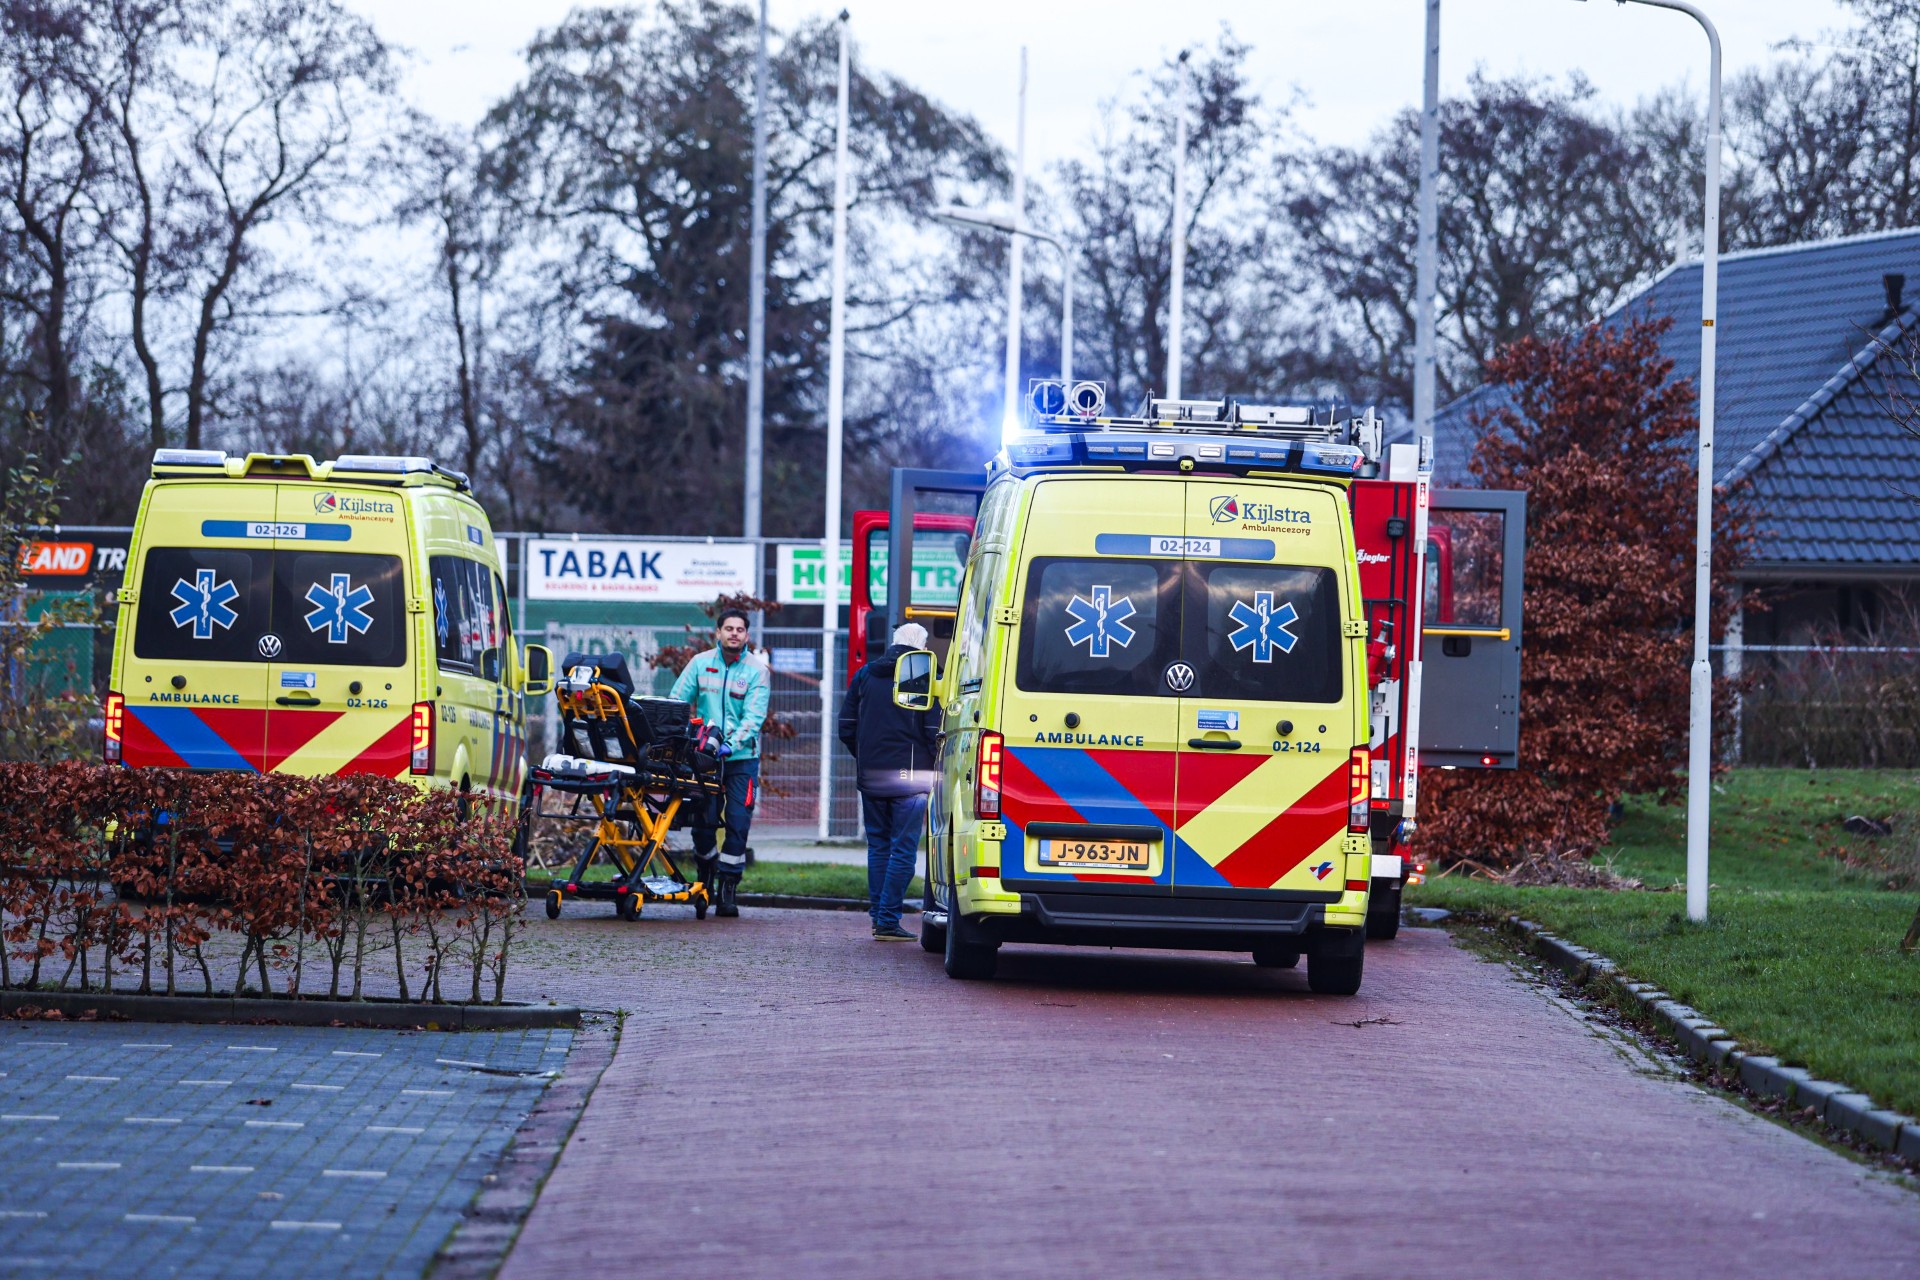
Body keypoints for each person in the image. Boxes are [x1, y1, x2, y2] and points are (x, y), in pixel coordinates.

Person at [838, 622, 941, 941]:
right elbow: (933, 731)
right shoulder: (922, 676)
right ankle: (887, 920)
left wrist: (866, 758)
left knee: (879, 846)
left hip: (872, 775)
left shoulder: (865, 675)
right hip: (911, 778)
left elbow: (846, 726)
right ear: (921, 646)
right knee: (903, 850)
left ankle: (878, 918)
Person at [670, 608, 770, 918]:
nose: (734, 633)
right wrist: (685, 737)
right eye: (729, 628)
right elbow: (677, 700)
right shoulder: (700, 663)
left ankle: (728, 888)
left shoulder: (757, 671)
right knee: (703, 823)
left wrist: (731, 744)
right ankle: (706, 876)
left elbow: (754, 717)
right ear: (718, 632)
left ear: (747, 635)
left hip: (741, 760)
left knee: (738, 823)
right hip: (704, 760)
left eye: (740, 629)